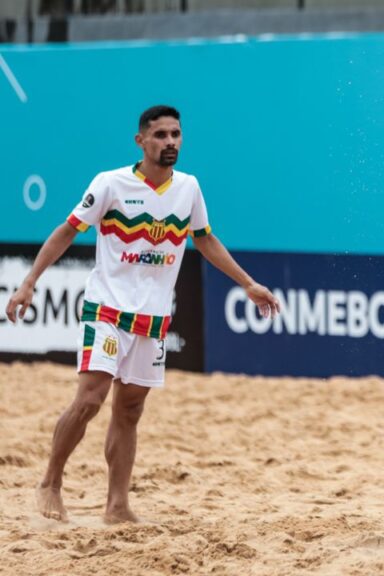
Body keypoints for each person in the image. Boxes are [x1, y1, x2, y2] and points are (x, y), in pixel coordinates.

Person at [5, 105, 280, 524]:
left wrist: (247, 283)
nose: (170, 142)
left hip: (153, 319)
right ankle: (51, 482)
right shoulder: (110, 184)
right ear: (141, 141)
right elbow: (66, 230)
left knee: (130, 410)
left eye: (176, 134)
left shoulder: (188, 188)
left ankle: (117, 505)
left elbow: (205, 241)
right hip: (107, 309)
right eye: (161, 135)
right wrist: (29, 282)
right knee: (91, 399)